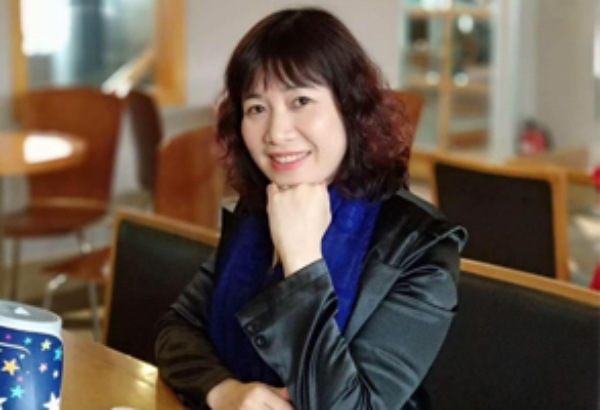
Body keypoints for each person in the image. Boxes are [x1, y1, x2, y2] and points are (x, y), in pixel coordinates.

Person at [155, 7, 467, 410]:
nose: (276, 132)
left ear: (350, 108)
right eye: (256, 108)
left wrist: (302, 261)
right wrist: (224, 390)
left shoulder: (420, 246)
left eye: (300, 100)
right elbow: (177, 328)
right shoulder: (259, 209)